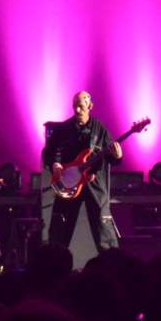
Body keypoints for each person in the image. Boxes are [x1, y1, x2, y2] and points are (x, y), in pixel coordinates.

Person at [45, 91, 123, 254]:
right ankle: (55, 262)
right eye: (75, 106)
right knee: (60, 229)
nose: (77, 110)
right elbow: (49, 152)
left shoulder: (100, 130)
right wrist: (55, 164)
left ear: (90, 106)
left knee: (103, 227)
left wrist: (118, 156)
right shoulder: (64, 129)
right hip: (69, 183)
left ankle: (111, 261)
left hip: (93, 183)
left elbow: (111, 158)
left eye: (81, 106)